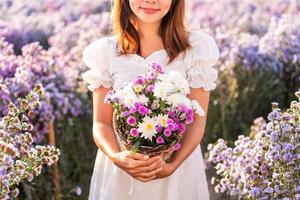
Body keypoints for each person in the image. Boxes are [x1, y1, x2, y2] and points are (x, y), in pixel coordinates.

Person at [81, 0, 220, 199]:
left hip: (177, 169)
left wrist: (171, 165)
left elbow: (197, 120)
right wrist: (117, 157)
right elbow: (101, 123)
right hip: (123, 169)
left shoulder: (194, 49)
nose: (151, 0)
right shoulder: (106, 52)